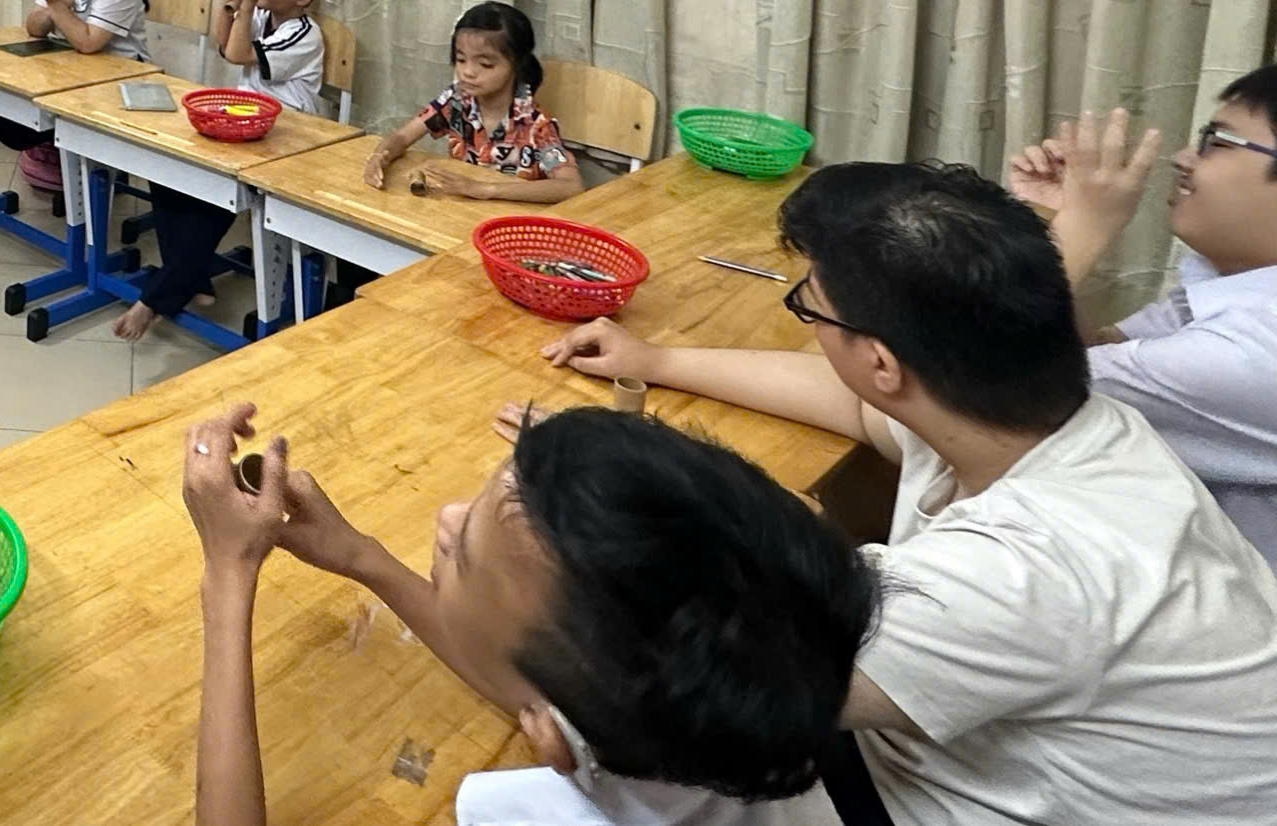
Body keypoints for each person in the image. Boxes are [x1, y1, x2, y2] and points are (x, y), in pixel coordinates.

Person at [538, 160, 1277, 826]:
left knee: (576, 742)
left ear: (885, 360)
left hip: (937, 791)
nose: (809, 322)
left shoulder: (1015, 572)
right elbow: (857, 406)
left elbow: (712, 702)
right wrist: (656, 357)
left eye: (810, 306)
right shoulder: (1043, 418)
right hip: (988, 760)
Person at [182, 401, 875, 826]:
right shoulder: (753, 703)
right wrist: (362, 555)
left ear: (550, 741)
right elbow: (535, 680)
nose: (446, 519)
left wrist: (228, 573)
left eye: (462, 560)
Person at [1003, 65, 1277, 563]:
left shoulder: (1254, 349)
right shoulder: (1236, 282)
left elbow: (983, 383)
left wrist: (1084, 225)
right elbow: (1094, 351)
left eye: (1217, 141)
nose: (1184, 158)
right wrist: (1052, 225)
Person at [111, 0, 333, 342]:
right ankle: (193, 277)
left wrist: (247, 1)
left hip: (292, 139)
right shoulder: (267, 17)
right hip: (250, 126)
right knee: (166, 171)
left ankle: (156, 299)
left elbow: (235, 55)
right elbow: (222, 41)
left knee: (215, 202)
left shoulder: (304, 33)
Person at [0, 0, 154, 197]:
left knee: (29, 115)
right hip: (70, 67)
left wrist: (58, 8)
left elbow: (89, 44)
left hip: (118, 77)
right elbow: (34, 28)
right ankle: (57, 155)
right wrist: (52, 9)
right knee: (0, 110)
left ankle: (83, 167)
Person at [365, 1, 582, 204]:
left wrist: (485, 189)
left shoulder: (535, 124)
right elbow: (402, 137)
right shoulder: (456, 101)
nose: (467, 72)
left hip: (514, 226)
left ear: (517, 65)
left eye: (485, 64)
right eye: (460, 60)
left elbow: (570, 187)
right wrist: (379, 157)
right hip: (462, 212)